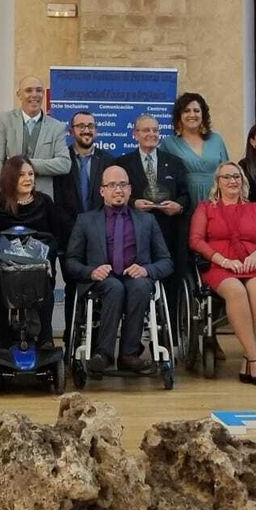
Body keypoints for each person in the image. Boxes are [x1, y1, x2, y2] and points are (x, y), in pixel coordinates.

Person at [63, 165, 174, 375]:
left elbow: (166, 262)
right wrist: (91, 272)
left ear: (131, 190)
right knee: (114, 287)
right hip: (101, 282)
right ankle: (103, 354)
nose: (118, 190)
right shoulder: (85, 221)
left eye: (123, 184)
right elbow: (71, 261)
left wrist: (146, 270)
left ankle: (129, 355)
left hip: (135, 278)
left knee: (140, 286)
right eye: (112, 185)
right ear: (102, 190)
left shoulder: (147, 221)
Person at [188, 162, 256, 384]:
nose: (233, 181)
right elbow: (196, 240)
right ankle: (255, 358)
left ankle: (248, 356)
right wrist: (223, 260)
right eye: (227, 177)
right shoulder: (206, 208)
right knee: (237, 291)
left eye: (236, 176)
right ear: (218, 182)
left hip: (250, 264)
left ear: (243, 181)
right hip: (219, 266)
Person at [0, 155, 64, 345]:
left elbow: (55, 238)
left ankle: (45, 338)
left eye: (31, 174)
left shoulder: (45, 202)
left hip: (37, 263)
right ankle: (3, 335)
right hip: (4, 265)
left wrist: (36, 254)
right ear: (10, 178)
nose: (28, 179)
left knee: (42, 277)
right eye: (21, 175)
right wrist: (11, 253)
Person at [116, 113, 192, 294]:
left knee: (171, 281)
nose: (151, 134)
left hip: (169, 231)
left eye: (155, 130)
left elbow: (185, 195)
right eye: (146, 130)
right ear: (135, 134)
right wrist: (133, 203)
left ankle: (171, 320)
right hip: (135, 232)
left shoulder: (174, 162)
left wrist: (178, 206)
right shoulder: (122, 164)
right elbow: (116, 196)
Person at [51, 110, 110, 340]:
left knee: (101, 288)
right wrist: (76, 228)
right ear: (71, 131)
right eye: (81, 126)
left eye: (91, 125)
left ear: (96, 130)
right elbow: (56, 199)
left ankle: (96, 342)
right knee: (73, 288)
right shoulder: (61, 161)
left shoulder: (108, 161)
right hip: (69, 236)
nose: (86, 130)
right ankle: (72, 338)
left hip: (101, 237)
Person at [0, 75, 70, 196]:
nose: (34, 94)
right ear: (19, 94)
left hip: (42, 199)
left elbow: (64, 164)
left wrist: (24, 164)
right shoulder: (4, 121)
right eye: (29, 90)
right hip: (10, 196)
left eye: (39, 90)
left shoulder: (57, 127)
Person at [161, 92, 231, 205]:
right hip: (185, 201)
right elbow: (163, 177)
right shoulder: (168, 143)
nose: (192, 114)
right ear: (179, 115)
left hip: (216, 198)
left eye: (196, 111)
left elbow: (227, 171)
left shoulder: (216, 139)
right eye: (186, 111)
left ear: (203, 115)